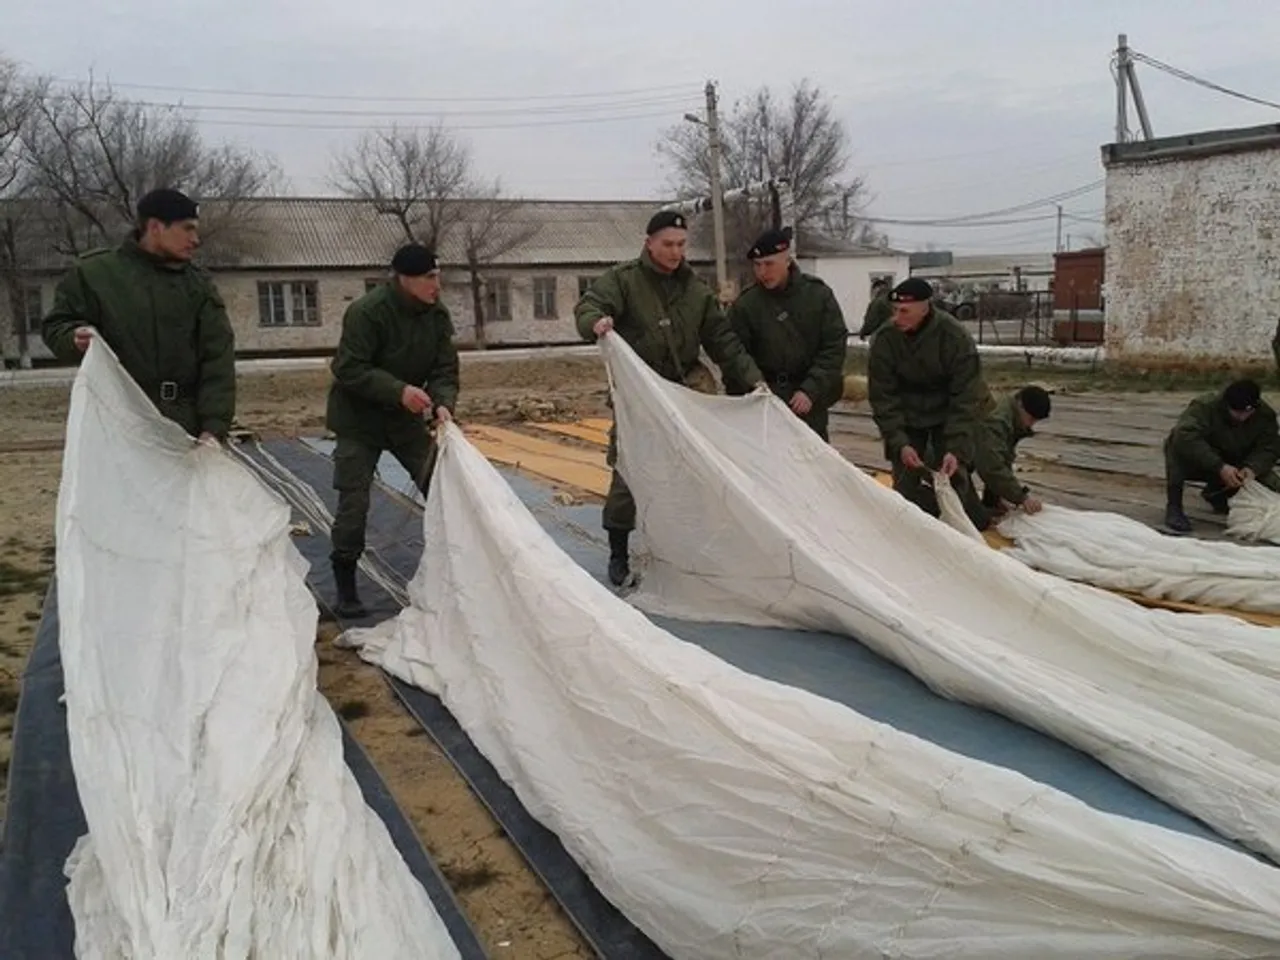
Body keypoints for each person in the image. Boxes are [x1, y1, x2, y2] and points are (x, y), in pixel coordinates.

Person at [575, 209, 767, 586]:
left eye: (681, 244)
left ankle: (695, 548)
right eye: (668, 244)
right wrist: (595, 323)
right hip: (639, 396)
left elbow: (723, 342)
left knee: (698, 471)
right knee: (628, 472)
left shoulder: (695, 291)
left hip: (684, 396)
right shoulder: (624, 281)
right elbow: (588, 306)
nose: (676, 252)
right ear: (649, 243)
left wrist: (754, 380)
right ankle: (618, 552)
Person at [326, 243, 459, 617]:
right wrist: (398, 391)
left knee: (443, 487)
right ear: (405, 279)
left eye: (438, 276)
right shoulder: (367, 313)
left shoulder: (436, 315)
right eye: (429, 277)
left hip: (405, 421)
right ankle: (346, 587)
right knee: (354, 502)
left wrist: (443, 402)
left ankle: (456, 569)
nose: (437, 285)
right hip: (359, 421)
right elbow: (349, 368)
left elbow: (445, 369)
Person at [42, 188, 235, 442]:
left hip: (182, 427)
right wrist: (72, 338)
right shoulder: (96, 275)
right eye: (187, 229)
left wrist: (213, 428)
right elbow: (56, 325)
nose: (195, 239)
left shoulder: (197, 286)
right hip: (116, 426)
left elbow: (217, 360)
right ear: (155, 227)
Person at [867, 277, 987, 525]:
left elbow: (966, 397)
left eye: (904, 311)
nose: (897, 317)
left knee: (953, 479)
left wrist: (956, 448)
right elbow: (883, 397)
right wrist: (900, 443)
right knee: (905, 485)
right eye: (894, 310)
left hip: (947, 412)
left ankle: (968, 523)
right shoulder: (885, 339)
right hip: (907, 413)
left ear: (924, 308)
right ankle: (918, 529)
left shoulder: (954, 337)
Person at [725, 227, 849, 441]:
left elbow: (833, 347)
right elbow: (735, 355)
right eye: (757, 265)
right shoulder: (747, 305)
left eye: (769, 264)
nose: (762, 272)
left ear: (787, 261)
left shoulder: (817, 296)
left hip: (809, 402)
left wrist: (811, 389)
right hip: (765, 404)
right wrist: (751, 392)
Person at [1163, 378, 1280, 534]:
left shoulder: (1265, 416)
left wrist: (1253, 468)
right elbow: (1185, 436)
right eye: (1236, 412)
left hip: (1238, 460)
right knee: (1176, 449)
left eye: (1247, 412)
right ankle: (1174, 506)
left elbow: (1269, 447)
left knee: (1273, 486)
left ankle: (1219, 493)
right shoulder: (1205, 406)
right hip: (1204, 458)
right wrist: (1219, 466)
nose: (1241, 417)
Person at [974, 385, 1052, 519]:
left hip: (965, 451)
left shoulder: (1012, 414)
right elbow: (991, 465)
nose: (1030, 425)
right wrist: (1021, 497)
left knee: (988, 512)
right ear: (1021, 405)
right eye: (1031, 419)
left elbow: (1003, 459)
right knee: (974, 518)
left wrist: (998, 497)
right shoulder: (998, 421)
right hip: (949, 454)